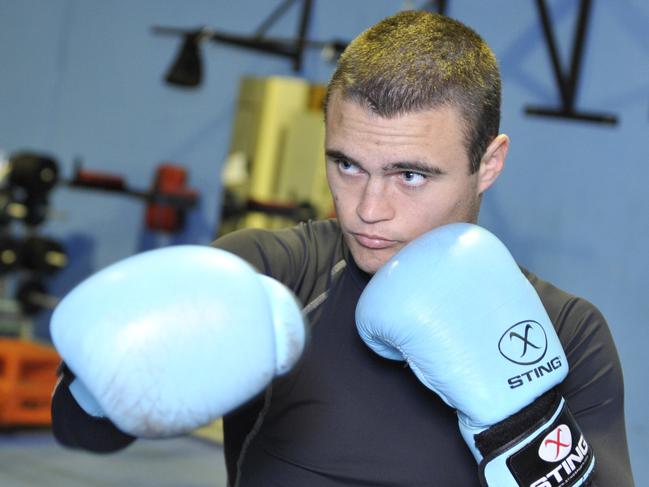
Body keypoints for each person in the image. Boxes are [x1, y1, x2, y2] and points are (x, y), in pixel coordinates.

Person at [51, 10, 634, 487]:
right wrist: (102, 383)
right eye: (347, 164)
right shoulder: (274, 274)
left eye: (410, 175)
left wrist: (524, 426)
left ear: (489, 164)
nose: (367, 208)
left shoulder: (565, 331)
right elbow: (81, 430)